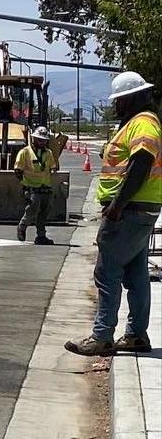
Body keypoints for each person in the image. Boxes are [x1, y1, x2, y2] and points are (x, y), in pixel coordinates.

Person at [65, 71, 161, 356]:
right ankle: (135, 335)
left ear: (132, 98)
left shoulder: (143, 124)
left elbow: (141, 163)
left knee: (107, 272)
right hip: (141, 208)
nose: (116, 106)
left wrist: (116, 207)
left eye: (119, 100)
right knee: (136, 273)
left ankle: (102, 335)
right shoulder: (140, 122)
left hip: (129, 210)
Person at [14, 126, 57, 245]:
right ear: (34, 139)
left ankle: (41, 236)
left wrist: (53, 173)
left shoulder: (48, 153)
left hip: (45, 187)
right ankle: (22, 226)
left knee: (44, 213)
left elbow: (52, 167)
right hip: (32, 188)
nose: (42, 142)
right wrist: (24, 185)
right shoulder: (25, 152)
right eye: (39, 140)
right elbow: (18, 170)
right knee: (31, 210)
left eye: (44, 140)